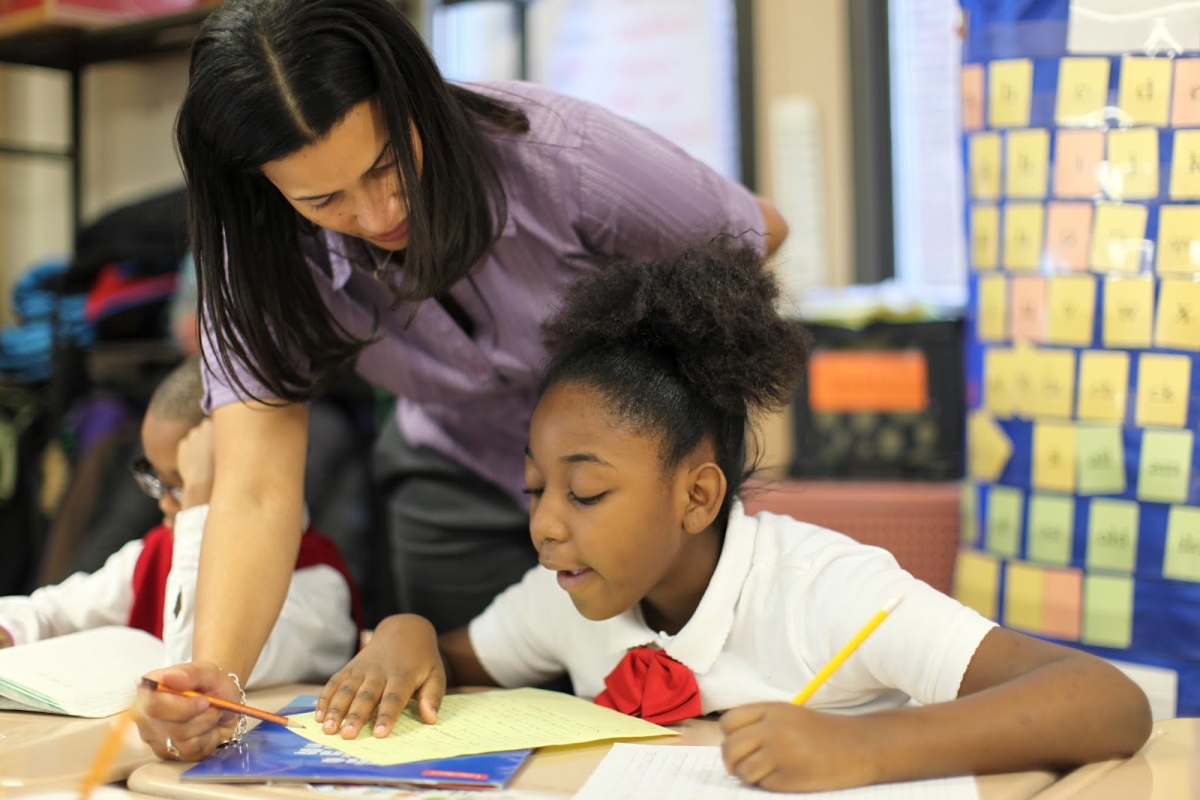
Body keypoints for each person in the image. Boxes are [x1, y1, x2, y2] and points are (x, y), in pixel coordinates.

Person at [133, 0, 787, 761]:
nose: (379, 213)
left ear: (415, 94)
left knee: (659, 721)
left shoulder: (559, 156)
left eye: (387, 166)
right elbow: (256, 491)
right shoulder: (259, 255)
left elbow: (751, 234)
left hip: (619, 488)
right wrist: (216, 678)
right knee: (462, 725)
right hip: (454, 475)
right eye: (324, 202)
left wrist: (639, 420)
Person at [313, 241, 1151, 793]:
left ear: (699, 496)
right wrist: (409, 631)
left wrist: (860, 749)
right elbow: (458, 663)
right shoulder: (564, 594)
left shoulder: (826, 589)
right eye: (536, 491)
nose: (546, 525)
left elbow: (1107, 701)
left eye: (586, 492)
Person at [0, 357, 359, 695]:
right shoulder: (157, 553)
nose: (163, 502)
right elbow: (54, 611)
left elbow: (196, 668)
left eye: (180, 483)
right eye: (154, 480)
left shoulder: (319, 587)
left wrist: (200, 504)